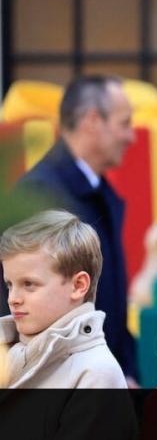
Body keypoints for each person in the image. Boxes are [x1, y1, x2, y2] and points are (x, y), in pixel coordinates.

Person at [12, 75, 139, 385]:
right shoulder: (41, 198)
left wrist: (125, 369)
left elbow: (108, 297)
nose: (131, 136)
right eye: (124, 123)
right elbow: (25, 304)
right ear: (93, 120)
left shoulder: (95, 191)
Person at [0, 210, 127, 388]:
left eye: (29, 284)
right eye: (9, 285)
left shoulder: (96, 372)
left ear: (78, 286)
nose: (12, 299)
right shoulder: (5, 353)